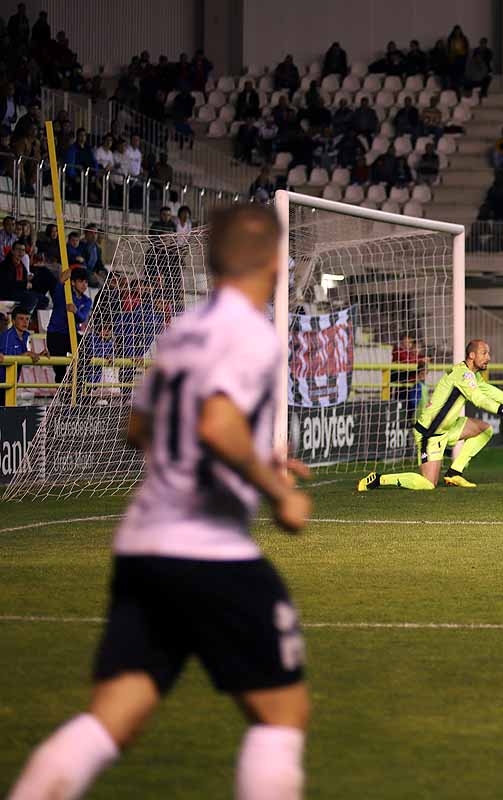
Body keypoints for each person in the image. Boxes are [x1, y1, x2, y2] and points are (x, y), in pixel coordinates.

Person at [6, 205, 314, 800]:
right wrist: (278, 492)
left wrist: (249, 455)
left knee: (112, 716)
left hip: (143, 547)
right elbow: (218, 423)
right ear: (276, 261)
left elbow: (141, 427)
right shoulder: (250, 331)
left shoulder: (183, 328)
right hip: (209, 551)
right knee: (282, 715)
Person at [358, 339, 503, 491]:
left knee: (485, 430)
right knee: (428, 484)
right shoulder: (463, 375)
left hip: (449, 428)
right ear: (472, 355)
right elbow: (479, 399)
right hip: (430, 434)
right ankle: (378, 479)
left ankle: (454, 473)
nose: (488, 358)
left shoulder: (471, 374)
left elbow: (487, 390)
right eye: (484, 353)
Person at [45, 266, 92, 382]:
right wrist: (61, 279)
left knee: (87, 350)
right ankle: (63, 396)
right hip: (55, 335)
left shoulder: (87, 300)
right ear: (72, 282)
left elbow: (82, 318)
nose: (84, 285)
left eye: (86, 282)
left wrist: (75, 310)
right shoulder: (64, 293)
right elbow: (58, 288)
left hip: (71, 334)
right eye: (81, 281)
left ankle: (75, 384)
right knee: (60, 370)